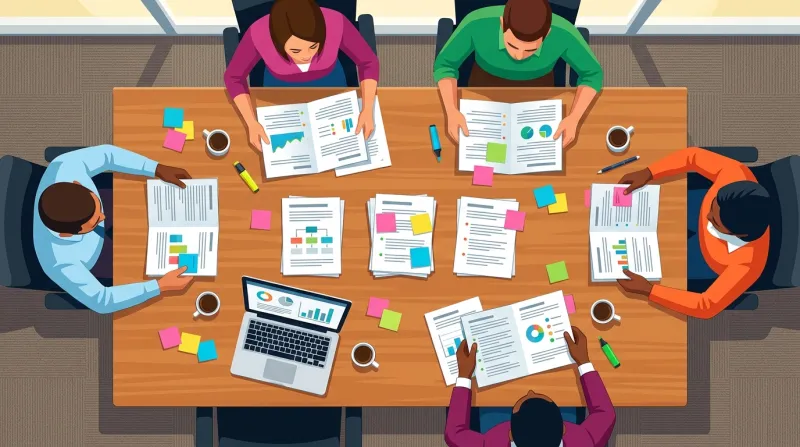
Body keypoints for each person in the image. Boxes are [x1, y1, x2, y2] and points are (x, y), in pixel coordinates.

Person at [34, 145, 195, 314]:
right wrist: (160, 286)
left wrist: (156, 168)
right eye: (95, 222)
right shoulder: (60, 263)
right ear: (66, 234)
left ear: (77, 183)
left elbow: (108, 154)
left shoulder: (66, 167)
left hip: (118, 202)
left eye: (98, 210)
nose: (103, 217)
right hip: (106, 262)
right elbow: (102, 301)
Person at [616, 147, 771, 319]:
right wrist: (649, 172)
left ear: (739, 236)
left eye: (715, 221)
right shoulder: (736, 175)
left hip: (696, 261)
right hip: (689, 207)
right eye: (713, 206)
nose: (707, 217)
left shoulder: (748, 266)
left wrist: (649, 290)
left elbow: (706, 306)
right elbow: (693, 156)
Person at [433, 0, 603, 146]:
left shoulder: (563, 32)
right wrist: (451, 110)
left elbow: (592, 74)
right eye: (512, 45)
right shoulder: (476, 23)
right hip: (483, 87)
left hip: (539, 91)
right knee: (483, 158)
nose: (519, 56)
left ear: (548, 33)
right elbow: (445, 65)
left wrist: (574, 118)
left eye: (530, 50)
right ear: (502, 24)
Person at [224, 0, 380, 152]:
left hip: (332, 90)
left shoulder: (335, 22)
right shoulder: (259, 32)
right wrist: (251, 122)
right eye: (295, 51)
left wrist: (367, 109)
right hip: (279, 96)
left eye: (313, 46)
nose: (306, 56)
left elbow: (368, 62)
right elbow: (234, 77)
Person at [444, 327, 615, 447]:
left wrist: (464, 376)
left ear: (510, 434)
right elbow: (605, 414)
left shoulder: (489, 444)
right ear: (563, 428)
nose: (530, 390)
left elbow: (454, 434)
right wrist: (584, 361)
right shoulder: (584, 442)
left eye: (526, 397)